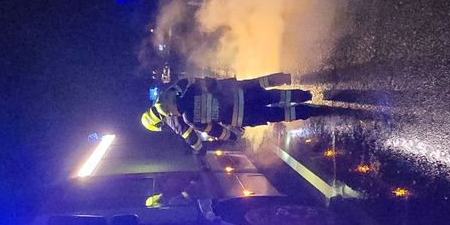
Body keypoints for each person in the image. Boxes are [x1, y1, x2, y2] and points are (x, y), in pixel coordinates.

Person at [139, 73, 348, 152]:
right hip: (242, 95)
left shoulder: (189, 119)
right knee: (274, 96)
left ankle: (311, 111)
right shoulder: (191, 89)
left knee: (278, 115)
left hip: (242, 117)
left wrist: (233, 137)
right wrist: (223, 86)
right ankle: (306, 94)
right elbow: (211, 83)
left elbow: (215, 131)